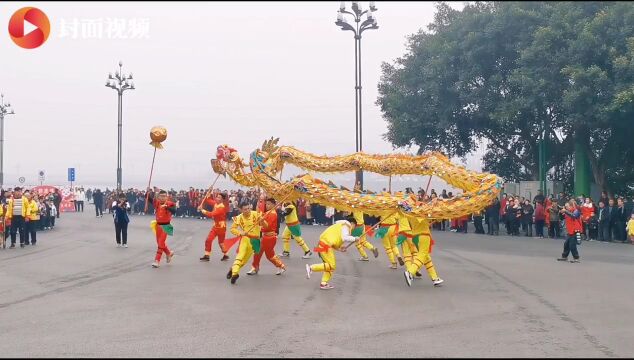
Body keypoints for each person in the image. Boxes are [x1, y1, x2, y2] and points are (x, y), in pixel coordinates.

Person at [305, 216, 358, 290]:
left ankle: (324, 283)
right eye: (354, 226)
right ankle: (311, 268)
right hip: (325, 245)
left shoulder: (339, 226)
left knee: (330, 267)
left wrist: (340, 248)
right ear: (352, 223)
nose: (353, 229)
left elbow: (335, 241)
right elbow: (345, 237)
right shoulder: (346, 225)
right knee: (332, 265)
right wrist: (354, 238)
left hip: (323, 244)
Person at [247, 197, 286, 275]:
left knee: (267, 255)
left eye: (269, 204)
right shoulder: (268, 212)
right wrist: (259, 217)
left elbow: (267, 226)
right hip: (266, 237)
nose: (267, 205)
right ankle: (255, 267)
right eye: (266, 204)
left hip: (270, 237)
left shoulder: (273, 214)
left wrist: (261, 220)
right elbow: (261, 220)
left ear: (274, 205)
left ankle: (280, 265)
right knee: (259, 253)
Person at [226, 202, 262, 284]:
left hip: (255, 241)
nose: (248, 210)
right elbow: (232, 229)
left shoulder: (256, 214)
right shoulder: (238, 218)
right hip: (245, 239)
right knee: (239, 257)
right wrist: (241, 233)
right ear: (240, 210)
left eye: (249, 208)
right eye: (245, 209)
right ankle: (235, 274)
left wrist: (262, 221)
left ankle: (232, 269)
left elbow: (265, 225)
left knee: (244, 261)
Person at [147, 188, 176, 268]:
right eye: (161, 196)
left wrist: (167, 207)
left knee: (160, 243)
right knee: (160, 243)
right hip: (158, 225)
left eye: (164, 196)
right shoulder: (157, 203)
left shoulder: (170, 203)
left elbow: (174, 211)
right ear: (159, 197)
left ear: (166, 197)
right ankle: (168, 253)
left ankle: (157, 260)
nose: (162, 198)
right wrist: (147, 193)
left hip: (166, 226)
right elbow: (149, 199)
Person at [198, 193, 229, 262]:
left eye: (219, 198)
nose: (217, 198)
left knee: (221, 243)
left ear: (222, 200)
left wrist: (202, 210)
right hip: (215, 226)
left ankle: (226, 254)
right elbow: (208, 200)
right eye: (217, 197)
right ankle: (207, 255)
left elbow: (211, 214)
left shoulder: (221, 208)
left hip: (221, 227)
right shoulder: (216, 204)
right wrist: (209, 193)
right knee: (208, 239)